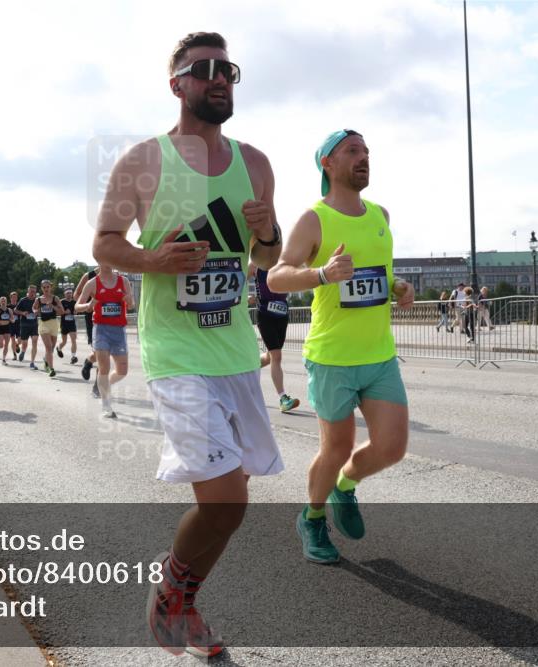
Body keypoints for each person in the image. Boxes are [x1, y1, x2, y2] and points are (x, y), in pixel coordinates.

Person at [93, 32, 284, 658]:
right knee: (225, 500)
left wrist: (270, 233)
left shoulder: (255, 163)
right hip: (177, 355)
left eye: (228, 69)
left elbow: (266, 258)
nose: (220, 79)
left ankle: (183, 599)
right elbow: (106, 244)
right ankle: (172, 591)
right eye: (204, 70)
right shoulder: (144, 161)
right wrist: (152, 258)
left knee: (234, 504)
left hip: (233, 349)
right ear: (177, 84)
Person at [267, 128, 415, 566]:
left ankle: (344, 487)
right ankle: (312, 518)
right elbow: (277, 277)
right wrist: (322, 275)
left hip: (378, 356)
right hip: (332, 358)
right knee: (336, 448)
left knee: (392, 447)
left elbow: (378, 276)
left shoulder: (380, 215)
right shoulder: (314, 219)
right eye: (352, 151)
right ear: (327, 164)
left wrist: (399, 286)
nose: (363, 157)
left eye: (367, 151)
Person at [76, 266, 133, 417]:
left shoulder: (124, 281)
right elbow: (77, 305)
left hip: (119, 330)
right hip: (101, 329)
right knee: (104, 367)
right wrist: (88, 306)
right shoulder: (92, 283)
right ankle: (106, 405)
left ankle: (103, 385)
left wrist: (129, 301)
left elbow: (132, 304)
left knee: (122, 371)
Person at [250, 263, 299, 412]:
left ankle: (247, 367)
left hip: (282, 315)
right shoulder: (255, 265)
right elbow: (237, 281)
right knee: (276, 356)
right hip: (265, 315)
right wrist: (246, 296)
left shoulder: (285, 261)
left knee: (271, 357)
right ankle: (283, 398)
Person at [34, 279, 65, 378]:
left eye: (48, 287)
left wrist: (53, 306)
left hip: (54, 324)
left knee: (51, 349)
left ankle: (46, 360)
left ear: (51, 287)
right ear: (41, 288)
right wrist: (36, 311)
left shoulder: (55, 298)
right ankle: (52, 369)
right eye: (44, 287)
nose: (46, 289)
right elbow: (33, 308)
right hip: (43, 324)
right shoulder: (38, 299)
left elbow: (62, 311)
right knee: (48, 346)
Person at [15, 285, 40, 369]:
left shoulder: (38, 300)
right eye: (31, 291)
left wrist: (38, 312)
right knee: (24, 344)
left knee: (35, 340)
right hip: (24, 325)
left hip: (34, 324)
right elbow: (15, 310)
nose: (32, 293)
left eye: (34, 292)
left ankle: (32, 362)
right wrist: (22, 313)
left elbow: (41, 310)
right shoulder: (23, 300)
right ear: (28, 292)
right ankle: (23, 351)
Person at [56, 288, 80, 364]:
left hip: (72, 323)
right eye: (67, 293)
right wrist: (64, 312)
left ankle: (73, 356)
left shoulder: (74, 302)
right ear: (64, 294)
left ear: (72, 294)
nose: (69, 294)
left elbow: (76, 312)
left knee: (74, 340)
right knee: (64, 341)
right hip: (64, 324)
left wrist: (76, 312)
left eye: (70, 293)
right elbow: (58, 313)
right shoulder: (61, 302)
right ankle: (59, 348)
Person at [0, 296, 14, 365]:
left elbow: (13, 319)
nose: (3, 302)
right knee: (1, 345)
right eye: (2, 301)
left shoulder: (9, 310)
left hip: (7, 327)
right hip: (0, 328)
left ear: (6, 302)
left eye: (4, 301)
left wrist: (11, 320)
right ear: (0, 302)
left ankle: (3, 359)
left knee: (6, 344)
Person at [7, 291, 21, 360]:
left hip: (18, 325)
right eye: (13, 297)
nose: (14, 298)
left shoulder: (19, 305)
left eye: (15, 297)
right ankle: (14, 355)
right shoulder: (8, 306)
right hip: (11, 325)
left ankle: (17, 344)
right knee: (12, 340)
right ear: (10, 298)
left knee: (20, 340)